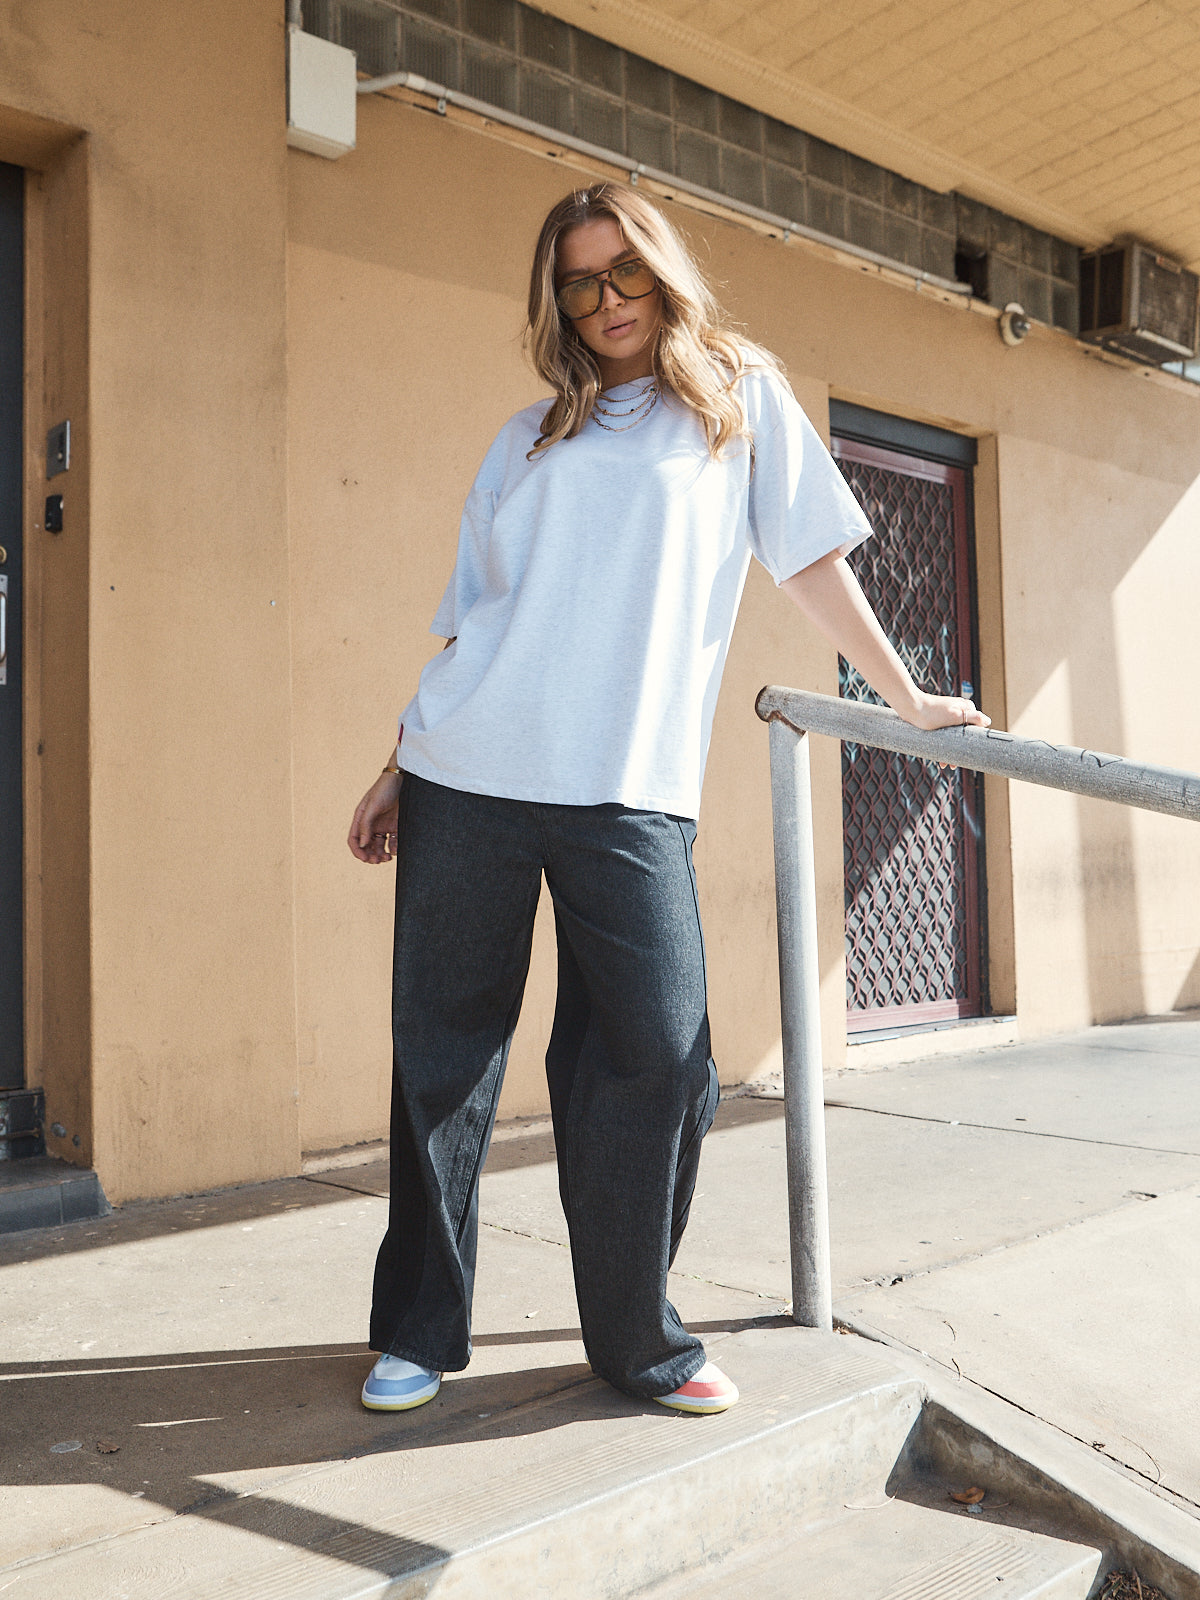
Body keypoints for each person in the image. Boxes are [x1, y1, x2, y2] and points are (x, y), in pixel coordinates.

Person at [347, 181, 988, 1418]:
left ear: (663, 271)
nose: (604, 303)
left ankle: (637, 1336)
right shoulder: (526, 439)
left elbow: (806, 555)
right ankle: (418, 1327)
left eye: (622, 274)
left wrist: (905, 698)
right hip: (466, 774)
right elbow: (474, 628)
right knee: (443, 1057)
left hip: (628, 789)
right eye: (578, 284)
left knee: (662, 1056)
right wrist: (397, 756)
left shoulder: (736, 400)